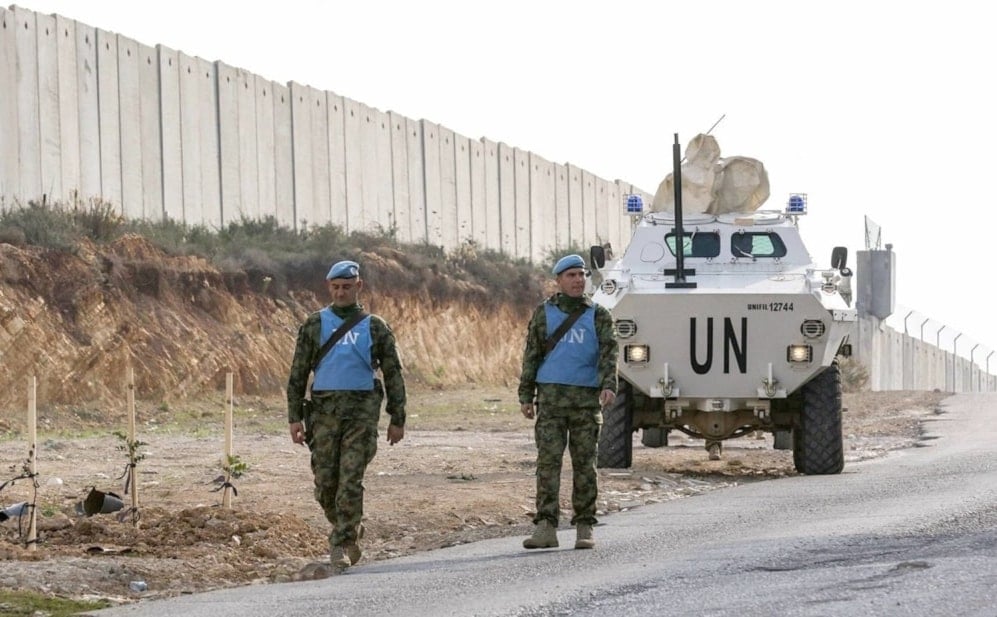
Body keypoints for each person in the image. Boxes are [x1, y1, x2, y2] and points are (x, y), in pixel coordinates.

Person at [287, 259, 406, 571]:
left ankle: (340, 542)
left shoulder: (375, 326)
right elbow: (298, 373)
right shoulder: (314, 325)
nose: (341, 292)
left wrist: (398, 417)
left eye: (346, 287)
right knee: (325, 482)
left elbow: (393, 373)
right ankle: (348, 524)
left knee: (350, 479)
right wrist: (294, 417)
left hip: (361, 414)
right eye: (336, 287)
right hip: (323, 414)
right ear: (329, 287)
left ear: (358, 287)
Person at [518, 254, 617, 550]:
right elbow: (531, 353)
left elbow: (608, 353)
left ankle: (584, 526)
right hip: (551, 401)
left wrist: (609, 385)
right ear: (559, 281)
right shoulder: (544, 313)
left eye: (581, 275)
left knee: (585, 465)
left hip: (585, 401)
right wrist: (526, 394)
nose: (578, 280)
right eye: (571, 275)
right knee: (548, 464)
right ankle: (546, 527)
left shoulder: (598, 314)